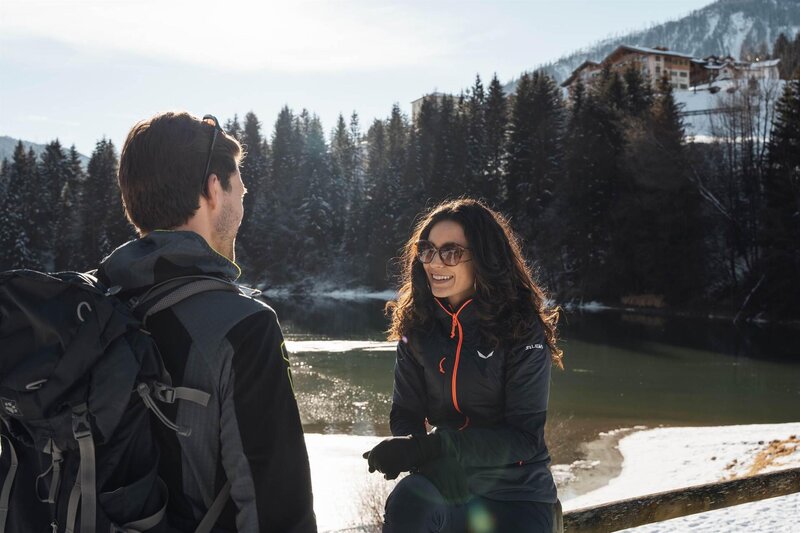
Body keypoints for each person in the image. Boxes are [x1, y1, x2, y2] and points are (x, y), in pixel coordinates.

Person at [97, 111, 317, 532]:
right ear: (213, 190)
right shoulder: (245, 328)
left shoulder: (97, 307)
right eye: (239, 188)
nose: (242, 200)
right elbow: (279, 514)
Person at [363, 198, 564, 532]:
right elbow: (406, 414)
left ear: (483, 259)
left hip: (517, 493)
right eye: (427, 250)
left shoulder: (520, 326)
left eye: (451, 252)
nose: (435, 263)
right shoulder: (417, 326)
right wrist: (424, 461)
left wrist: (433, 448)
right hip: (448, 485)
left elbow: (524, 437)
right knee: (409, 497)